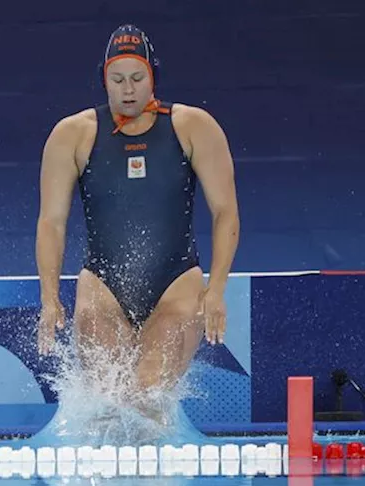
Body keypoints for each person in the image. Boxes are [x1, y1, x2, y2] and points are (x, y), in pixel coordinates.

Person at [35, 25, 240, 423]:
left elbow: (226, 211)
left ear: (153, 77)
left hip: (176, 287)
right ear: (103, 80)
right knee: (107, 405)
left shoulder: (193, 127)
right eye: (117, 80)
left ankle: (154, 484)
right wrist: (49, 297)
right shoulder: (73, 135)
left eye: (136, 78)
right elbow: (51, 223)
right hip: (103, 290)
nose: (127, 90)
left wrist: (216, 289)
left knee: (146, 401)